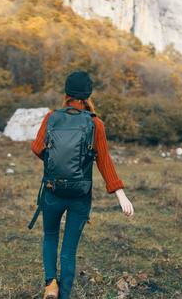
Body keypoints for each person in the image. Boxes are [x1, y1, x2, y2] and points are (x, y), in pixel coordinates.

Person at [31, 70, 134, 299]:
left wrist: (54, 157)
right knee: (68, 251)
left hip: (52, 191)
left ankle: (51, 285)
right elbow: (104, 162)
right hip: (80, 194)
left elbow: (38, 149)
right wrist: (121, 196)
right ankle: (64, 295)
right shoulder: (95, 123)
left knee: (50, 237)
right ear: (88, 94)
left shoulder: (51, 117)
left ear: (67, 92)